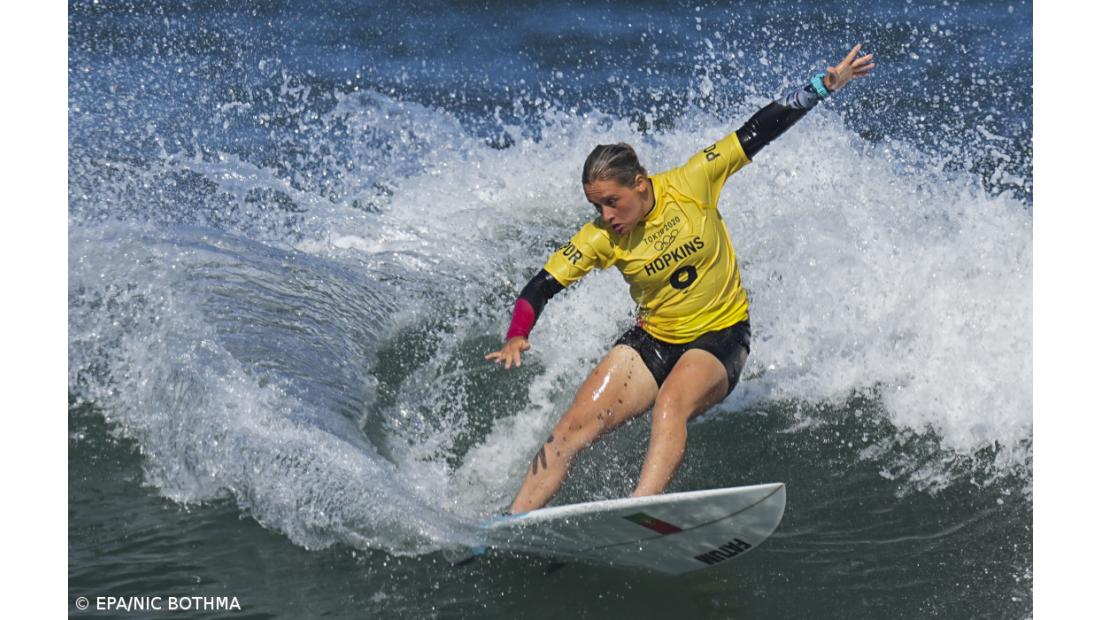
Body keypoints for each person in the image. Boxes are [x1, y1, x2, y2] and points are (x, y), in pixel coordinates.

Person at [486, 44, 875, 514]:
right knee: (570, 429)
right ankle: (507, 525)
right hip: (655, 340)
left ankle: (636, 513)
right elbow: (539, 286)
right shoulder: (600, 238)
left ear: (641, 184)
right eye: (596, 206)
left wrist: (824, 86)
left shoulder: (694, 181)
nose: (606, 216)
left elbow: (758, 130)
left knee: (672, 403)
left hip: (721, 335)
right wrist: (516, 334)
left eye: (613, 201)